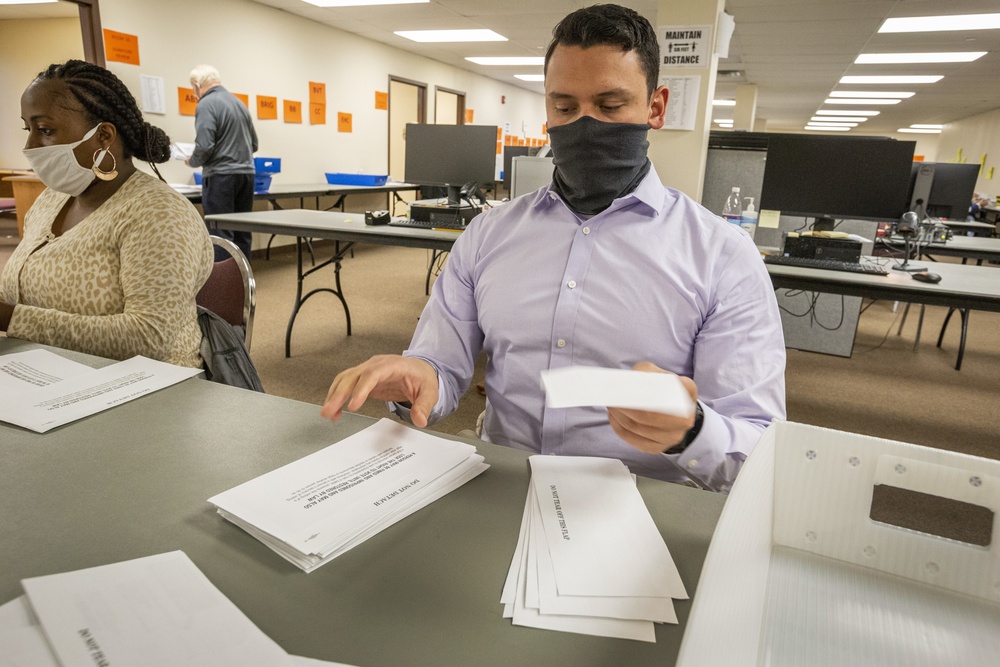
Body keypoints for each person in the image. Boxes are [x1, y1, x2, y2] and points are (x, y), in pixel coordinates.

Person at [321, 4, 786, 492]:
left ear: (655, 107)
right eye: (564, 108)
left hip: (639, 503)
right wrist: (417, 377)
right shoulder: (488, 234)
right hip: (504, 487)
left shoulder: (722, 257)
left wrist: (692, 432)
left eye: (610, 106)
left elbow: (758, 447)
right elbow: (439, 367)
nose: (585, 125)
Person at [0, 60, 213, 368]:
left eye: (45, 130)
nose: (30, 145)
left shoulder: (158, 213)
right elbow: (19, 290)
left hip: (147, 384)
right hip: (49, 371)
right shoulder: (51, 200)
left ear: (104, 136)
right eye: (28, 129)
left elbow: (148, 338)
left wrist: (11, 318)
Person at [186, 64, 258, 262]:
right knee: (242, 230)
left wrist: (192, 161)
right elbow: (254, 144)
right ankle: (244, 276)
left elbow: (205, 146)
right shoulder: (239, 103)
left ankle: (224, 279)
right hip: (246, 175)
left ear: (197, 85)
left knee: (220, 232)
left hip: (221, 177)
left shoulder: (206, 104)